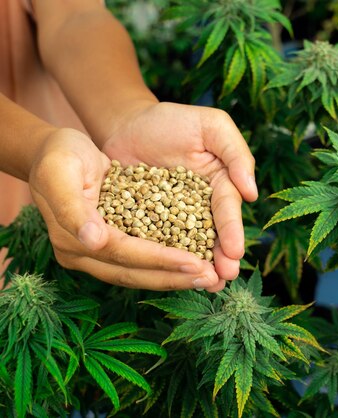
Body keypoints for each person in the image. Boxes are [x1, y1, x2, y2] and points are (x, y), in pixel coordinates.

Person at [0, 0, 258, 292]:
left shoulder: (117, 178)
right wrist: (33, 149)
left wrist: (126, 113)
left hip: (75, 152)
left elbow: (74, 15)